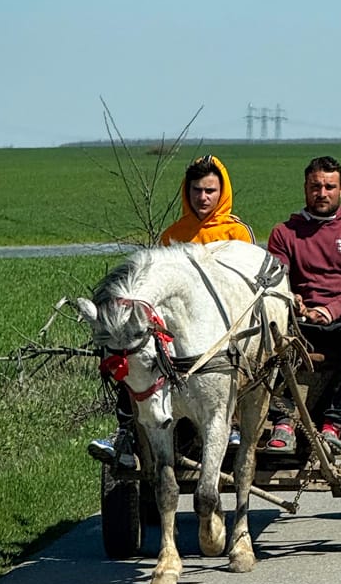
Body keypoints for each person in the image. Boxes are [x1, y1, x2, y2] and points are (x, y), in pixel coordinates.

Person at [88, 155, 254, 467]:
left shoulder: (238, 233)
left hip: (224, 325)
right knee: (129, 354)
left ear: (222, 193)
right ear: (186, 192)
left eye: (210, 191)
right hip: (174, 328)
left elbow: (243, 286)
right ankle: (126, 431)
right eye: (196, 190)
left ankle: (230, 424)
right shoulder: (173, 233)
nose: (202, 197)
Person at [265, 156, 341, 454]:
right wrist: (289, 297)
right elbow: (277, 276)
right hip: (301, 319)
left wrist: (332, 310)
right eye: (315, 186)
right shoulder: (285, 233)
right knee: (268, 342)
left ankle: (333, 424)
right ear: (305, 188)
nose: (322, 193)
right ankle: (283, 422)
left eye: (329, 187)